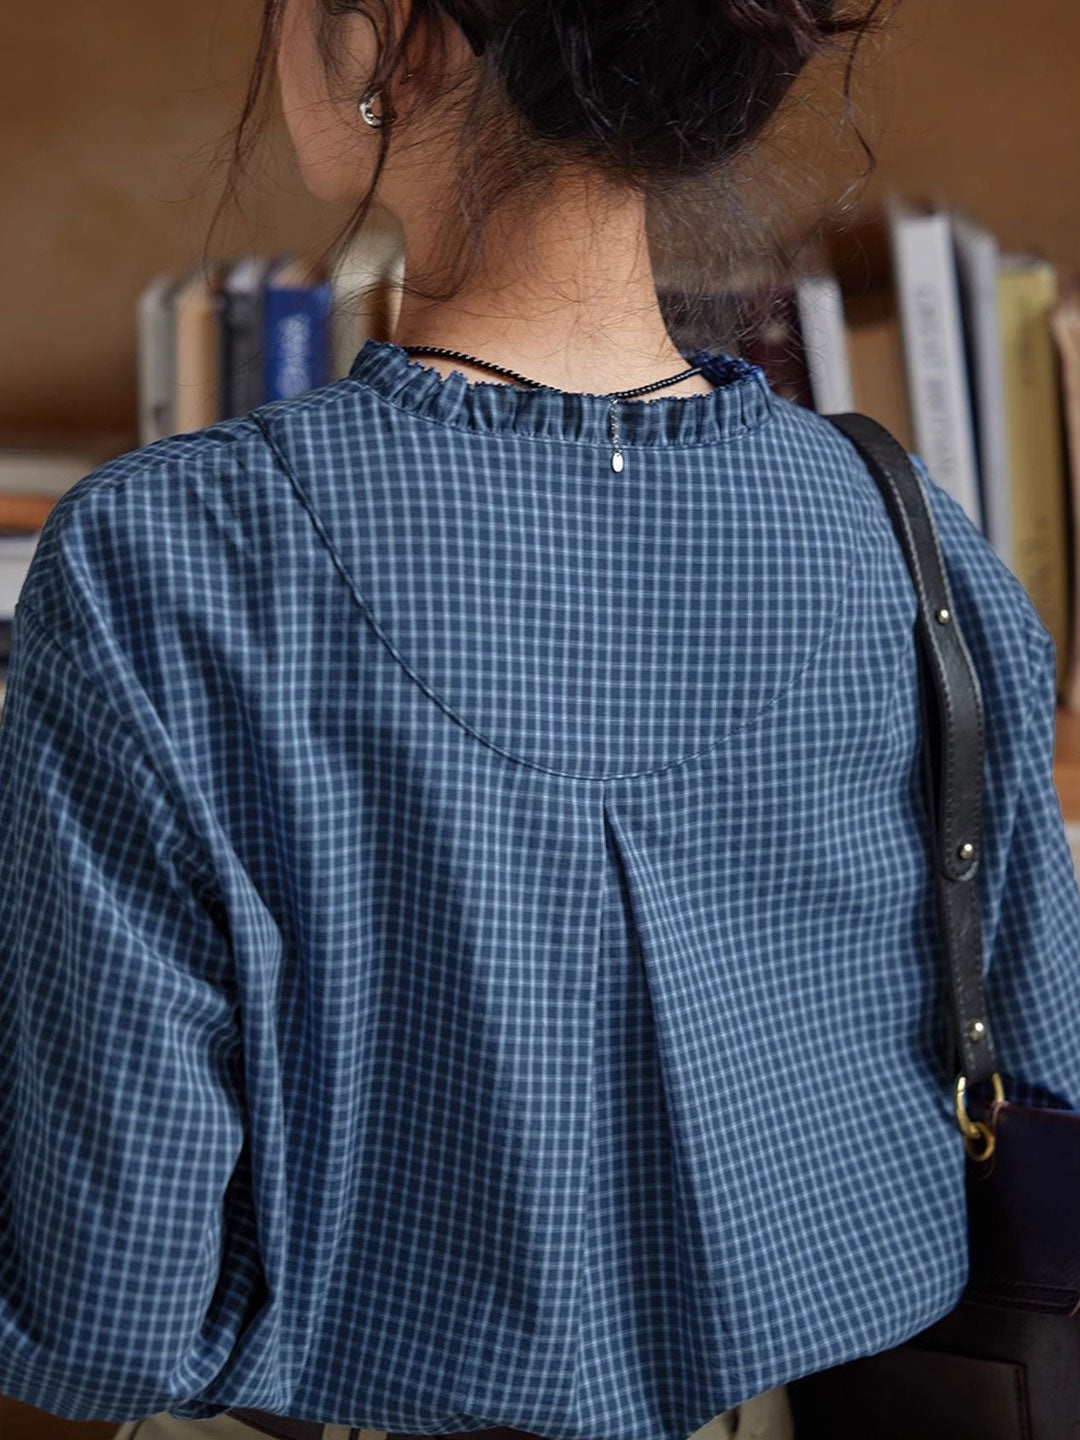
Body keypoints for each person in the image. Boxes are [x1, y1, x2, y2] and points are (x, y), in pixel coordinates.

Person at [2, 1, 1079, 1438]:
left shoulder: (168, 565)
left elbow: (106, 1314)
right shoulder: (913, 539)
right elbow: (1044, 1076)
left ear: (387, 35)